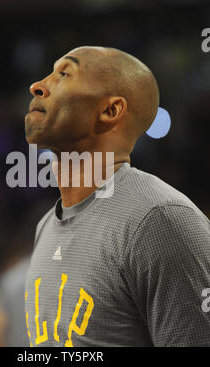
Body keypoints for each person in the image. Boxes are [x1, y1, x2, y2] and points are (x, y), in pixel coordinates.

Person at [24, 46, 210, 347]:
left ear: (110, 110)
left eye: (64, 74)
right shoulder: (45, 225)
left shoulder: (160, 220)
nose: (38, 85)